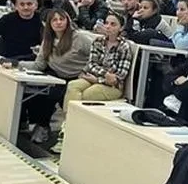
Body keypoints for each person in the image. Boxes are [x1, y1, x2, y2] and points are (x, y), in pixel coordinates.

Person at [11, 7, 94, 144]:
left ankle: (54, 130)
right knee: (39, 93)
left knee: (53, 94)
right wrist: (17, 63)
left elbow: (96, 55)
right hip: (55, 75)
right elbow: (39, 65)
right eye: (54, 20)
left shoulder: (80, 38)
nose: (58, 22)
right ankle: (41, 125)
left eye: (61, 19)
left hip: (76, 77)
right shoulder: (48, 40)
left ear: (67, 21)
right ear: (49, 23)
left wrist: (85, 71)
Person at [54, 9, 136, 148]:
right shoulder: (98, 41)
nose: (108, 26)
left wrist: (98, 79)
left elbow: (119, 76)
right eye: (107, 23)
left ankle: (70, 133)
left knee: (86, 95)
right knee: (73, 86)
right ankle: (68, 128)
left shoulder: (124, 47)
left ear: (121, 28)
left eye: (113, 24)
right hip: (93, 78)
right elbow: (91, 64)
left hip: (113, 87)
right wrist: (105, 74)